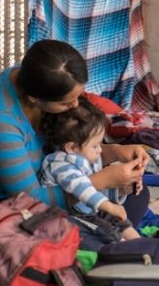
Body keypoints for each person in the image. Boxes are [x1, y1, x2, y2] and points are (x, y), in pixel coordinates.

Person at [0, 39, 150, 225]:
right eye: (66, 103)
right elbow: (30, 201)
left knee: (136, 195)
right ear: (34, 99)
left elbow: (72, 147)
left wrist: (113, 152)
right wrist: (100, 182)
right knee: (99, 227)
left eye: (78, 96)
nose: (76, 105)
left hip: (51, 182)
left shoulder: (39, 78)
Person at [39, 97, 141, 242]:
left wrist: (122, 187)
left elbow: (101, 187)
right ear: (71, 147)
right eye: (95, 146)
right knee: (105, 231)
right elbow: (83, 188)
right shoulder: (61, 164)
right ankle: (122, 247)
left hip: (88, 208)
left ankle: (139, 243)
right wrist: (109, 206)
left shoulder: (87, 156)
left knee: (118, 219)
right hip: (67, 213)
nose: (100, 150)